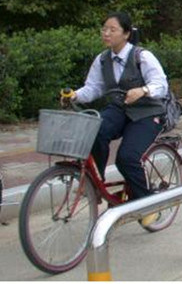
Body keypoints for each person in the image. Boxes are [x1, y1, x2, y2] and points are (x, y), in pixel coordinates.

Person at [63, 12, 169, 226]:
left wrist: (143, 90)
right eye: (104, 29)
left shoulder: (142, 56)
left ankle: (147, 203)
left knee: (127, 158)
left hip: (147, 112)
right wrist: (75, 95)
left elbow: (162, 85)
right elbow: (94, 88)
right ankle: (97, 180)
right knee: (94, 129)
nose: (106, 33)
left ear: (126, 34)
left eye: (112, 29)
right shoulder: (103, 59)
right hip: (120, 109)